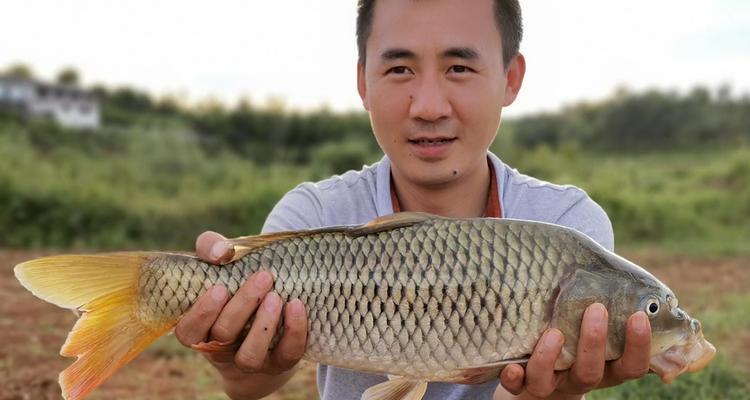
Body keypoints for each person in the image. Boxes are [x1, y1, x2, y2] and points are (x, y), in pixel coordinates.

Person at [174, 0, 653, 398]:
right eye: (400, 68)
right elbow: (256, 382)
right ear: (363, 81)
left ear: (511, 78)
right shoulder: (315, 214)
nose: (428, 107)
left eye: (459, 67)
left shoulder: (568, 226)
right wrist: (240, 366)